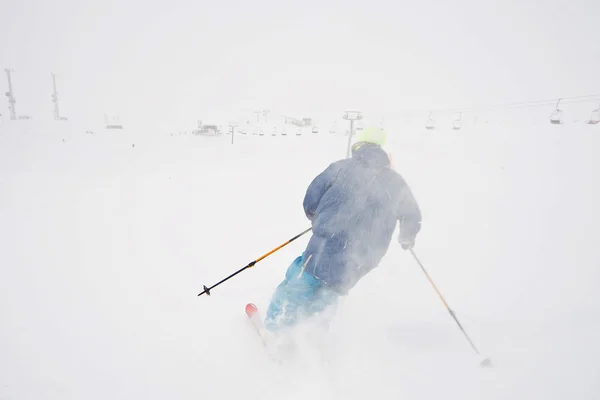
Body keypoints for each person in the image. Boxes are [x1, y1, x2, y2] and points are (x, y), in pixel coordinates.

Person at [264, 127, 422, 335]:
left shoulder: (340, 168)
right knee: (330, 292)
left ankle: (276, 330)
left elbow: (310, 200)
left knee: (300, 284)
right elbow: (412, 214)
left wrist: (317, 217)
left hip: (327, 243)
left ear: (358, 146)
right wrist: (407, 237)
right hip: (363, 258)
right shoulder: (396, 182)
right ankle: (311, 336)